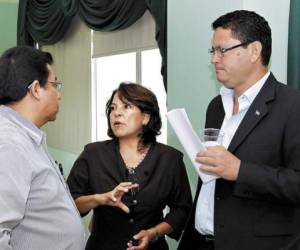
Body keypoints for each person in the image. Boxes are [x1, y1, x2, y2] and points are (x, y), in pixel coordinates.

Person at [178, 10, 300, 250]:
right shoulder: (216, 107)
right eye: (213, 51)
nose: (214, 59)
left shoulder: (292, 105)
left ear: (254, 51)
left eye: (222, 50)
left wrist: (240, 170)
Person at [67, 82, 192, 250]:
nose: (116, 113)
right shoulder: (92, 153)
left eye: (126, 107)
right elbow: (70, 203)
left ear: (146, 117)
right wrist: (99, 199)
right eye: (112, 108)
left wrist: (153, 232)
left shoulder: (169, 159)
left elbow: (182, 210)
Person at [0, 46, 86, 250]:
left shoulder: (26, 136)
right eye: (55, 84)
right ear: (36, 89)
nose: (59, 95)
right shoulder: (9, 144)